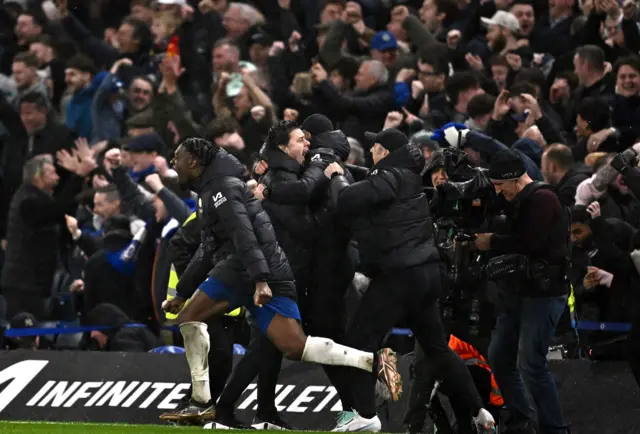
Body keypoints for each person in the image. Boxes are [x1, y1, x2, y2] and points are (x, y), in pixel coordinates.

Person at [159, 137, 400, 423]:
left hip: (245, 269)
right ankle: (372, 360)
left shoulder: (221, 189)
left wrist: (259, 280)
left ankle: (200, 401)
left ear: (194, 162)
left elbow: (244, 237)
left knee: (189, 318)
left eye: (177, 157)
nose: (173, 162)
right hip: (272, 270)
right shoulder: (216, 188)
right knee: (295, 346)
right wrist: (183, 290)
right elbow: (208, 248)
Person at [325, 128, 496, 433]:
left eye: (375, 147)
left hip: (399, 274)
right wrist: (346, 168)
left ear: (386, 153)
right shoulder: (407, 175)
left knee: (360, 342)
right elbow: (369, 178)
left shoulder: (390, 176)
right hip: (426, 274)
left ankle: (364, 415)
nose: (372, 151)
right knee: (436, 347)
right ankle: (479, 412)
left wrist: (335, 175)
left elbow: (348, 198)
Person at [474, 149, 569, 434]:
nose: (498, 192)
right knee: (500, 357)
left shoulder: (543, 199)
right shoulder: (516, 200)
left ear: (515, 179)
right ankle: (521, 418)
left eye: (501, 186)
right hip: (518, 292)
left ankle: (554, 429)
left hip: (544, 294)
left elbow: (530, 241)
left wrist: (492, 242)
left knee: (531, 364)